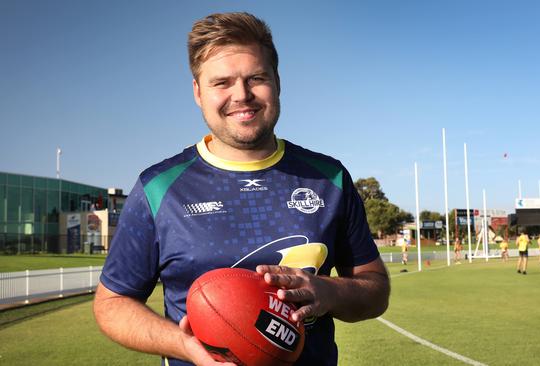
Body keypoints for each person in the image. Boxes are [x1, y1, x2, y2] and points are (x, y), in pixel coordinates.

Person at [93, 12, 390, 366]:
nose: (242, 95)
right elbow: (112, 304)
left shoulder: (329, 178)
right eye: (222, 83)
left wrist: (327, 291)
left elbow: (375, 291)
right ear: (197, 92)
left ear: (277, 82)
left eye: (256, 78)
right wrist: (183, 345)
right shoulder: (159, 188)